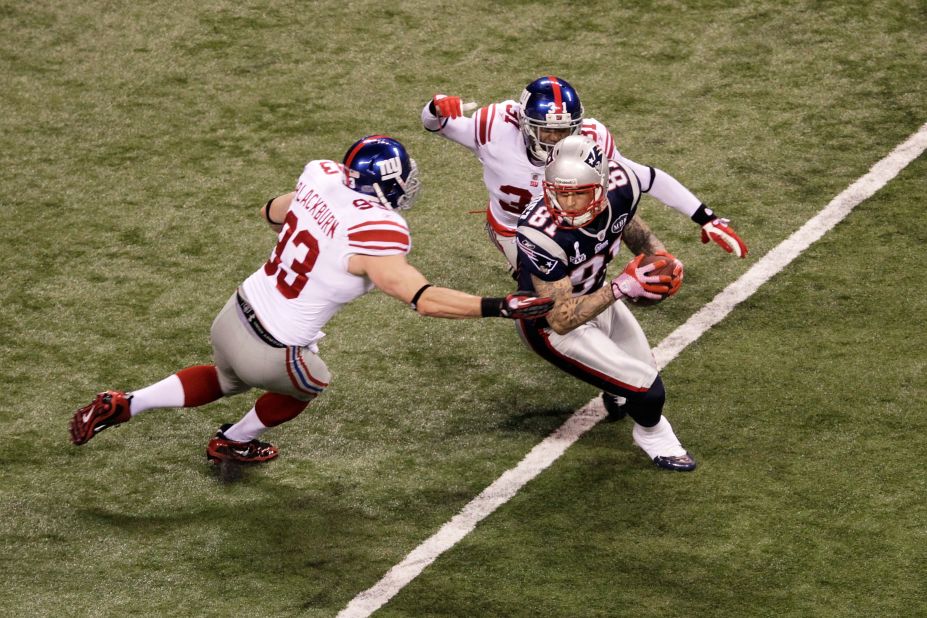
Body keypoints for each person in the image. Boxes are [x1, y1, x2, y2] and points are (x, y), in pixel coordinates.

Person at [69, 135, 553, 464]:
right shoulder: (380, 231)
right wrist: (499, 305)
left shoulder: (320, 176)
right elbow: (421, 298)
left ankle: (127, 402)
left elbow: (271, 211)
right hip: (275, 347)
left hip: (236, 312)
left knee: (224, 376)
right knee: (313, 378)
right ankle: (234, 441)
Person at [422, 75, 748, 271]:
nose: (557, 140)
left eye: (565, 131)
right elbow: (434, 124)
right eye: (547, 132)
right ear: (522, 124)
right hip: (518, 229)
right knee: (554, 301)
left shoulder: (591, 138)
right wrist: (436, 107)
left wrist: (705, 217)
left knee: (616, 199)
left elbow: (644, 178)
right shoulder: (493, 129)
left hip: (574, 212)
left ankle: (659, 261)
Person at [514, 134, 695, 471]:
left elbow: (628, 226)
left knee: (645, 374)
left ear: (601, 185)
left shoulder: (622, 186)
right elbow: (561, 320)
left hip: (599, 296)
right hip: (550, 326)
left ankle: (613, 386)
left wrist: (660, 260)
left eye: (579, 193)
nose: (567, 205)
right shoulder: (539, 233)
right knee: (647, 391)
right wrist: (623, 286)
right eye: (560, 193)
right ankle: (652, 435)